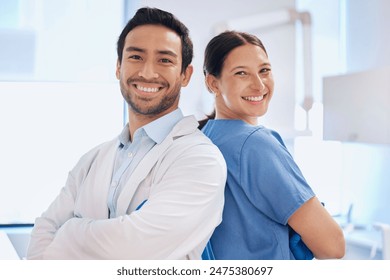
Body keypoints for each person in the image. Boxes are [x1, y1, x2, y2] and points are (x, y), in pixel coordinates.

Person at [26, 7, 227, 260]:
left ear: (185, 75)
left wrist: (71, 232)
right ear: (118, 67)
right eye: (136, 57)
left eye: (165, 60)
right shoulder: (93, 159)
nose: (147, 73)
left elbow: (135, 250)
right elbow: (43, 232)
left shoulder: (200, 160)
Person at [199, 30, 345, 260]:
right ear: (213, 83)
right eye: (241, 74)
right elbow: (333, 246)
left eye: (264, 70)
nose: (259, 85)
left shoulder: (203, 137)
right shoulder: (256, 144)